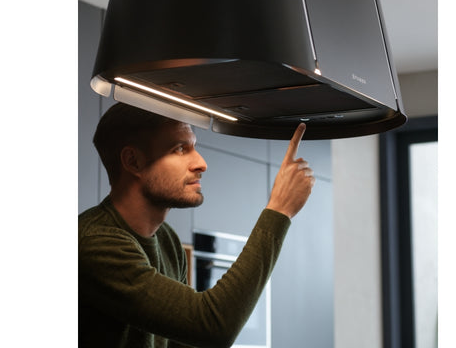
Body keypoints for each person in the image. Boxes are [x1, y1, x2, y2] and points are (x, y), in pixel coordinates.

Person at [78, 102, 315, 348]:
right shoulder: (95, 242)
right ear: (133, 161)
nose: (201, 163)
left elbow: (183, 340)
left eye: (194, 147)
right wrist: (279, 210)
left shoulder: (167, 240)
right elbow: (212, 326)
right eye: (180, 149)